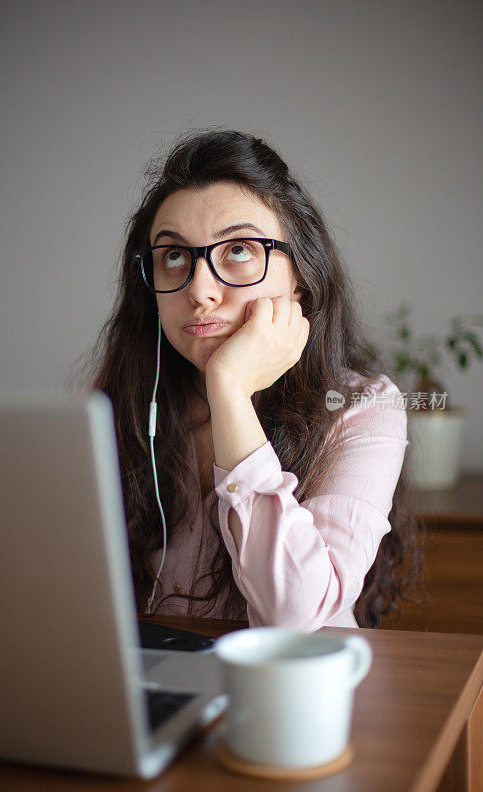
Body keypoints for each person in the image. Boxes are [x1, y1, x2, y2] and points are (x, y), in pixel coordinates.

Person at [80, 128, 422, 630]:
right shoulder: (115, 401)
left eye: (238, 250)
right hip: (149, 691)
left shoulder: (363, 409)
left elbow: (296, 618)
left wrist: (230, 391)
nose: (199, 291)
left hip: (289, 695)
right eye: (174, 255)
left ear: (300, 273)